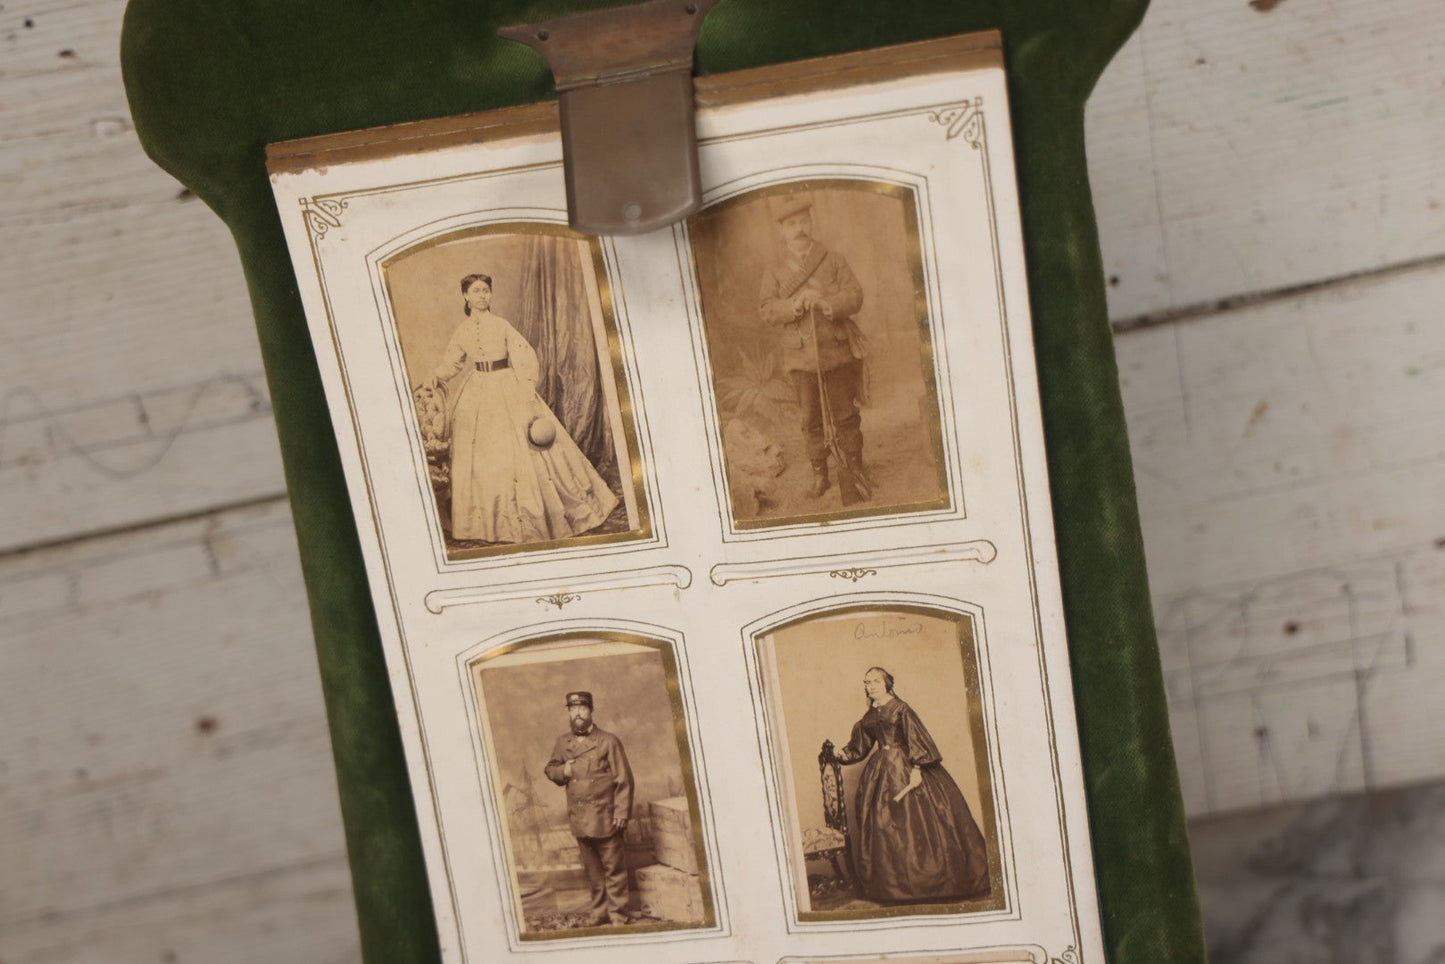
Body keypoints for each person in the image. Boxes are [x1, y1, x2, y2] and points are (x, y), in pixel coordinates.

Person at [428, 273, 619, 544]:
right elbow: (453, 363)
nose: (483, 295)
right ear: (465, 296)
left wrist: (526, 388)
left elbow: (525, 356)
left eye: (486, 291)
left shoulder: (502, 325)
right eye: (477, 291)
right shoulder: (463, 331)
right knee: (482, 452)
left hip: (507, 387)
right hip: (476, 392)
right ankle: (485, 524)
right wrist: (437, 376)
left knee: (520, 450)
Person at [828, 667, 990, 903]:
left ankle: (928, 884)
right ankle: (892, 886)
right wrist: (842, 755)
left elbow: (917, 738)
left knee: (916, 823)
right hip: (880, 772)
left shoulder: (900, 708)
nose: (870, 686)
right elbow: (860, 746)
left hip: (907, 768)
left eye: (875, 681)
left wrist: (916, 770)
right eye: (866, 682)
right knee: (884, 824)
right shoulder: (870, 715)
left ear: (886, 683)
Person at [757, 193, 870, 499]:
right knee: (810, 419)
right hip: (799, 358)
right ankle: (820, 474)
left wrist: (826, 302)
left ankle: (855, 467)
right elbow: (767, 309)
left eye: (803, 221)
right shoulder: (776, 271)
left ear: (811, 223)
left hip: (836, 351)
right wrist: (794, 305)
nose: (798, 229)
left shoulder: (834, 260)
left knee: (846, 414)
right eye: (791, 224)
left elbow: (855, 295)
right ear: (782, 231)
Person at [544, 690, 635, 926]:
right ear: (569, 712)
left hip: (606, 816)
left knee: (614, 871)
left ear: (591, 711)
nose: (577, 714)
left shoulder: (608, 741)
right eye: (572, 709)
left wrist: (622, 813)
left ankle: (618, 915)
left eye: (582, 709)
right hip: (580, 818)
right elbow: (550, 769)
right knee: (594, 873)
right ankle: (600, 913)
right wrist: (563, 771)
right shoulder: (563, 742)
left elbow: (624, 780)